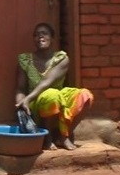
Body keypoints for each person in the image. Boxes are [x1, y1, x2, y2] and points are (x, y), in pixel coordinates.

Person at [15, 22, 94, 151]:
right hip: (36, 104)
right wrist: (21, 104)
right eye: (36, 35)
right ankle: (48, 138)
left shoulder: (61, 58)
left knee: (85, 95)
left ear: (52, 38)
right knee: (51, 96)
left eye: (44, 33)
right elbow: (20, 88)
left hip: (56, 99)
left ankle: (63, 135)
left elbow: (47, 81)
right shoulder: (25, 60)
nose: (40, 37)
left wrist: (27, 98)